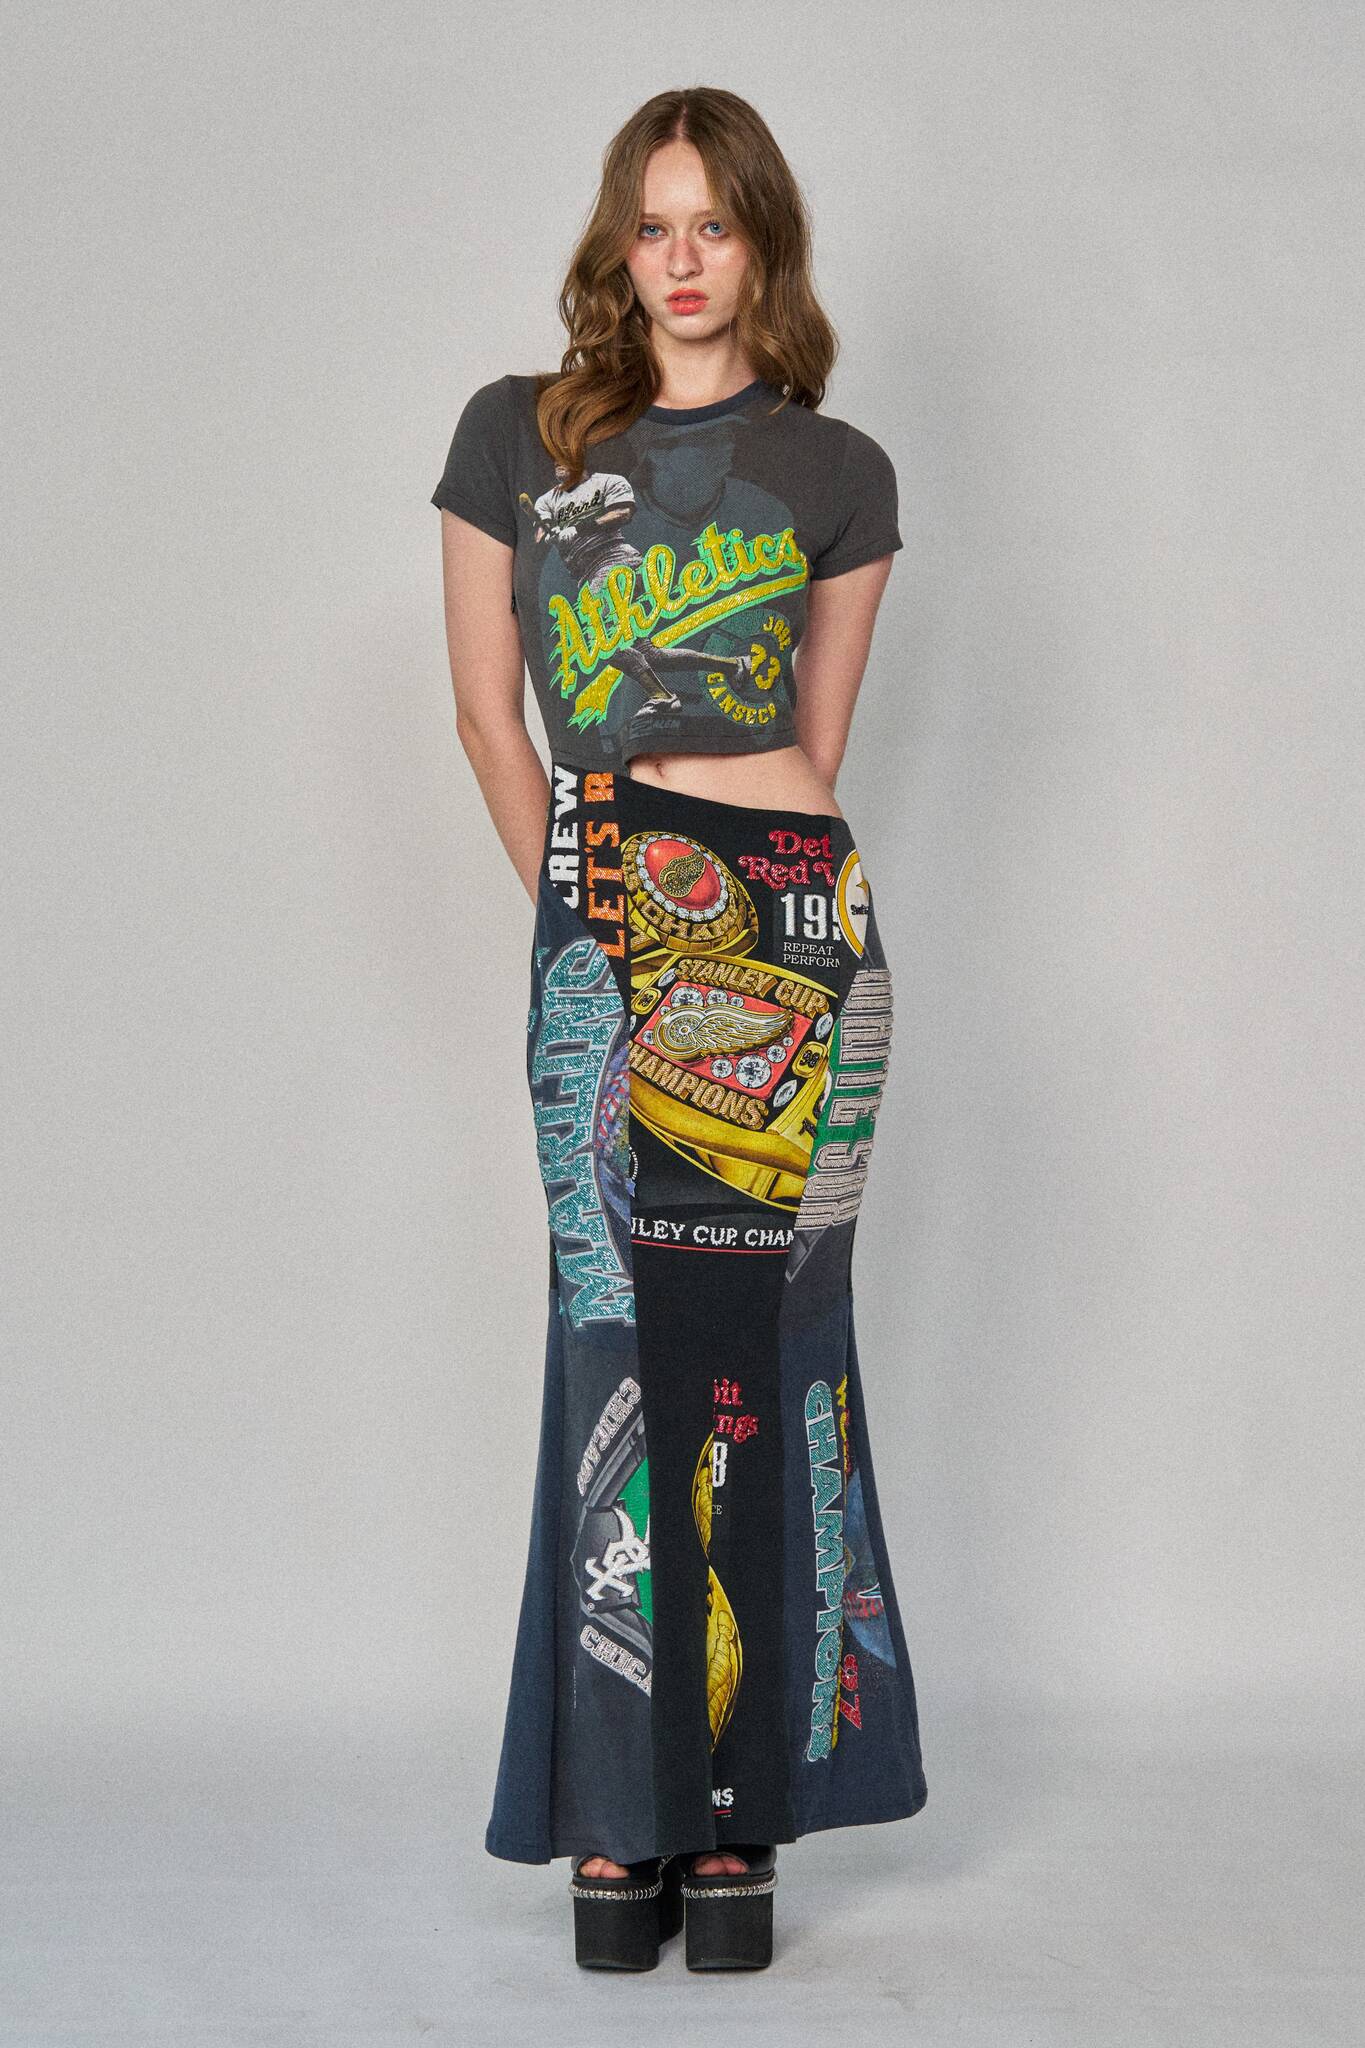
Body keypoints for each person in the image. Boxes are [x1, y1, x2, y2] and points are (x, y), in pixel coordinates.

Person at [432, 85, 928, 1974]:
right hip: (606, 908)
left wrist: (738, 889)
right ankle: (616, 1806)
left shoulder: (838, 469)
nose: (683, 258)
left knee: (774, 1359)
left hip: (791, 916)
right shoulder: (518, 435)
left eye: (715, 223)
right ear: (617, 247)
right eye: (654, 225)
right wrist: (580, 908)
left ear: (760, 243)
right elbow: (489, 716)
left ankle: (740, 1820)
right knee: (612, 1352)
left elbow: (817, 744)